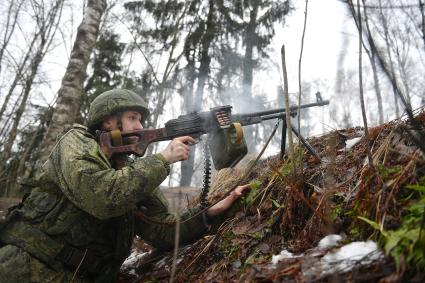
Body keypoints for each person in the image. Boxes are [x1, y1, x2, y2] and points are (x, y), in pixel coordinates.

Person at [0, 89, 248, 282]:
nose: (140, 126)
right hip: (26, 270)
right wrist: (162, 159)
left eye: (140, 120)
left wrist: (208, 212)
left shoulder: (130, 170)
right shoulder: (75, 142)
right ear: (108, 122)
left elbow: (162, 231)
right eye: (133, 118)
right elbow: (102, 197)